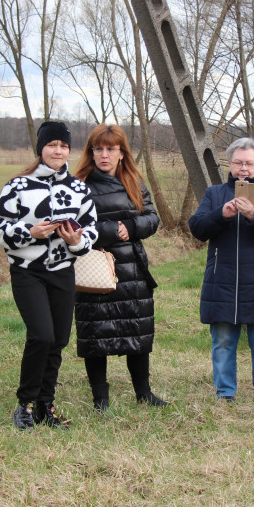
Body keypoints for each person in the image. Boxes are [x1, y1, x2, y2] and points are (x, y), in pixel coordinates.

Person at [0, 121, 98, 429]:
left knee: (59, 339)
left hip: (63, 271)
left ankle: (44, 406)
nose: (58, 151)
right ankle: (23, 405)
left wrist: (78, 241)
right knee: (42, 335)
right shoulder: (18, 186)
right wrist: (29, 232)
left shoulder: (78, 189)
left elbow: (90, 229)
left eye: (63, 146)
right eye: (52, 145)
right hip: (28, 271)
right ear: (41, 149)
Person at [72, 124, 169, 411]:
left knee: (137, 332)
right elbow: (73, 226)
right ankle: (100, 400)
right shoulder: (80, 184)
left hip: (132, 269)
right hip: (94, 267)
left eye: (110, 149)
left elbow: (152, 218)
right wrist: (112, 230)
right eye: (98, 149)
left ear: (121, 153)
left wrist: (131, 226)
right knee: (95, 333)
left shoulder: (134, 181)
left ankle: (144, 393)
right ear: (91, 152)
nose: (104, 155)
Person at [189, 138, 254, 403]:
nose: (243, 168)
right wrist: (221, 214)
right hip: (222, 280)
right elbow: (197, 228)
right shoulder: (215, 194)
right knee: (222, 342)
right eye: (238, 162)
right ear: (229, 164)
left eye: (249, 163)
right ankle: (225, 394)